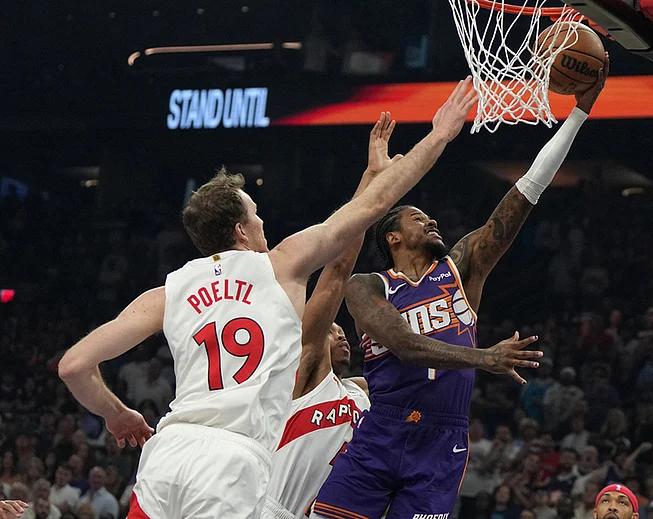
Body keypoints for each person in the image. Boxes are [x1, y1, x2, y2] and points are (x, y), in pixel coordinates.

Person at [57, 77, 480, 519]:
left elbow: (73, 366)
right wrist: (439, 135)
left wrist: (117, 415)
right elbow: (370, 211)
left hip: (166, 455)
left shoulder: (168, 290)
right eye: (257, 217)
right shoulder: (281, 265)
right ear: (241, 230)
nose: (263, 224)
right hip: (230, 464)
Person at [312, 58, 610, 519]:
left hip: (441, 439)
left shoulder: (460, 267)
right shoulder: (367, 286)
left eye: (431, 217)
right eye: (418, 218)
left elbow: (525, 193)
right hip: (380, 433)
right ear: (392, 236)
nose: (431, 220)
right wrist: (483, 358)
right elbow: (402, 344)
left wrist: (579, 115)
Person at [264, 115, 397, 519]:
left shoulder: (360, 393)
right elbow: (338, 267)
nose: (340, 335)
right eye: (331, 328)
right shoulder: (302, 376)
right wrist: (372, 178)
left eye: (342, 330)